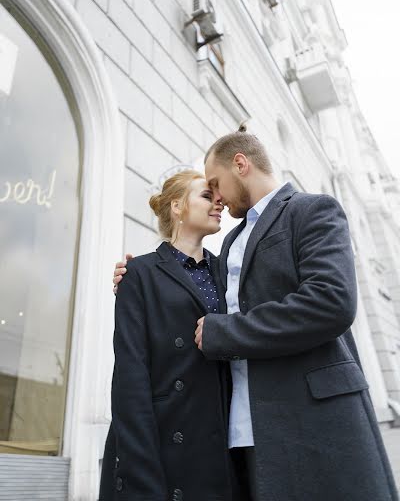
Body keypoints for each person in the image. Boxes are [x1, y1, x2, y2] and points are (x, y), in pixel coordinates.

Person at [114, 126, 399, 501]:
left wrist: (224, 333)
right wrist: (140, 274)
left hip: (315, 421)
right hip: (244, 437)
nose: (217, 198)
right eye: (206, 191)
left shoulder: (310, 209)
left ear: (241, 164)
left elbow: (331, 301)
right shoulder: (229, 244)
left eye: (216, 184)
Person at [100, 170, 242, 501]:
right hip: (164, 438)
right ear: (177, 207)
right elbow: (130, 377)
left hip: (220, 442)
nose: (218, 203)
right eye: (207, 197)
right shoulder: (138, 273)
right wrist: (141, 469)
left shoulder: (228, 273)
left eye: (218, 198)